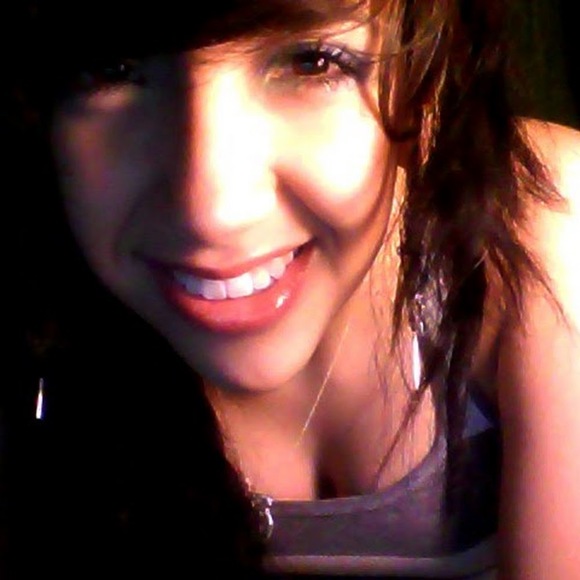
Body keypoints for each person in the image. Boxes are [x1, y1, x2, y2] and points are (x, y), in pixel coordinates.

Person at [2, 0, 580, 578]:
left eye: (311, 62)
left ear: (422, 81)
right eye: (111, 68)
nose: (212, 215)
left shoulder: (541, 218)